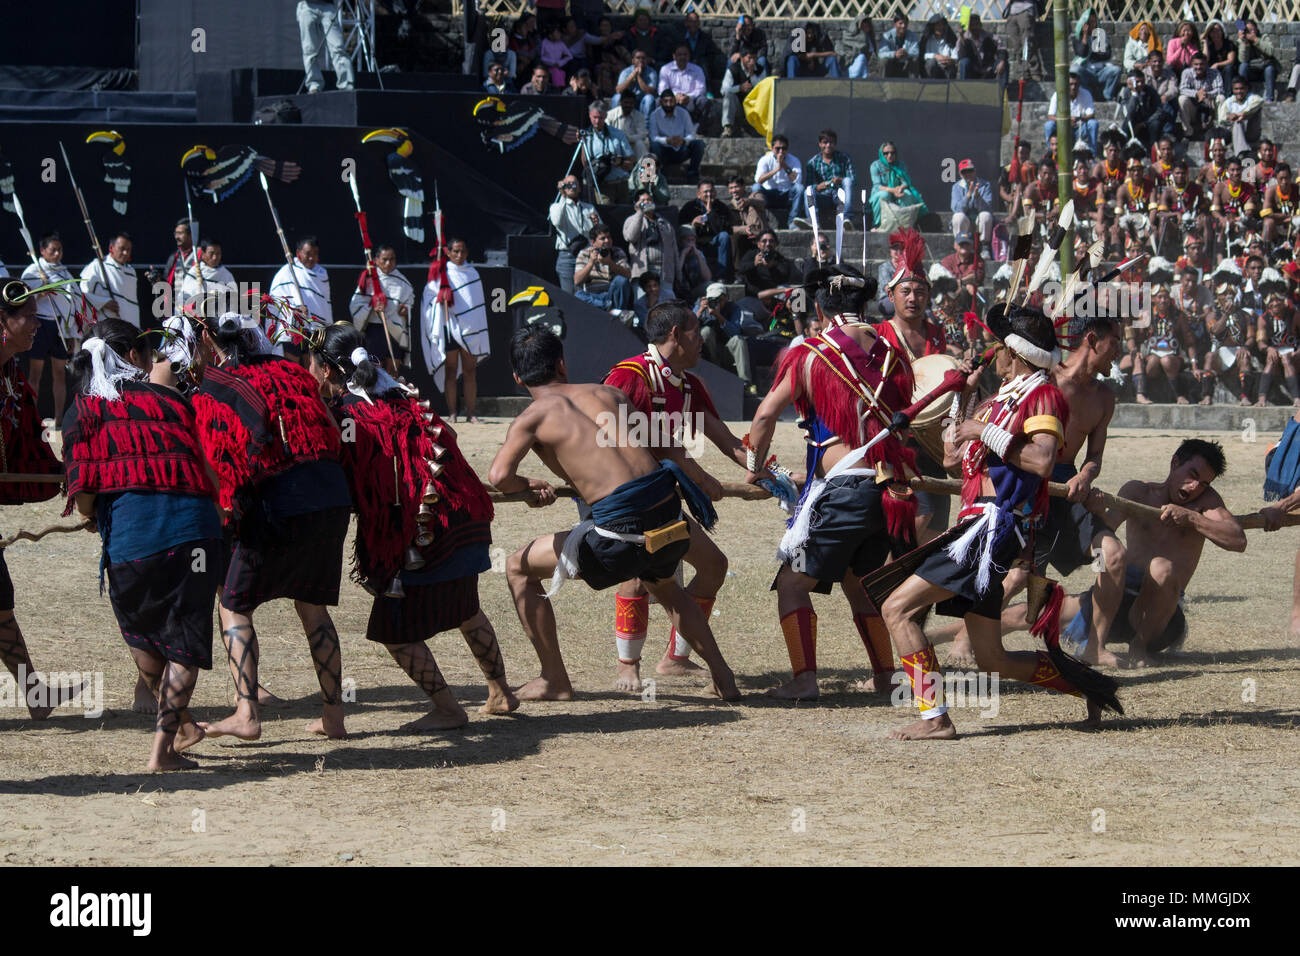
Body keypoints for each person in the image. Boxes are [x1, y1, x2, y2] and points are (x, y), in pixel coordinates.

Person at [880, 304, 1123, 738]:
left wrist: (983, 431)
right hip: (978, 529)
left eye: (999, 347)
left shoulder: (1042, 395)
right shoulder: (998, 400)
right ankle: (1090, 687)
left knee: (896, 608)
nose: (992, 354)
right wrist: (964, 399)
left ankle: (933, 719)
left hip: (995, 528)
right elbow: (955, 459)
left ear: (1016, 352)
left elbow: (1044, 460)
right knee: (993, 659)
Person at [490, 323, 740, 702]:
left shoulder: (532, 419)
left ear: (516, 377)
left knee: (516, 567)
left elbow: (499, 477)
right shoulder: (610, 393)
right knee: (668, 587)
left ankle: (554, 679)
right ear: (562, 365)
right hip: (667, 513)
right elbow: (656, 446)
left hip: (619, 531)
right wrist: (700, 477)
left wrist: (528, 487)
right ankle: (723, 675)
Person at [308, 324, 516, 728]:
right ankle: (501, 693)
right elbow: (448, 435)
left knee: (394, 630)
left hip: (424, 530)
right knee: (465, 609)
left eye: (313, 366)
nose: (311, 373)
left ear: (328, 371)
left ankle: (447, 709)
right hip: (464, 519)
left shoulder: (345, 414)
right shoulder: (405, 394)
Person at [745, 266, 921, 700]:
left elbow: (766, 415)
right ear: (864, 306)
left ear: (820, 308)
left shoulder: (811, 354)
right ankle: (885, 677)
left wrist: (753, 465)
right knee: (859, 584)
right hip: (886, 491)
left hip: (846, 490)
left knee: (791, 584)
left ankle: (805, 681)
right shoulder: (892, 355)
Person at [601, 300, 787, 687]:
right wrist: (697, 476)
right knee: (638, 575)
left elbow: (727, 441)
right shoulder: (629, 376)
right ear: (675, 335)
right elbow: (605, 438)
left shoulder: (687, 385)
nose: (702, 340)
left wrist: (769, 474)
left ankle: (675, 659)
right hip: (626, 499)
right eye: (695, 331)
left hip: (661, 500)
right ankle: (627, 668)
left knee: (713, 566)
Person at [63, 319, 220, 770]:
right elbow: (202, 460)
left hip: (130, 543)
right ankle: (164, 749)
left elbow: (85, 492)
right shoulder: (169, 399)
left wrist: (96, 516)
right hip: (192, 530)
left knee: (146, 638)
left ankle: (171, 739)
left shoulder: (82, 408)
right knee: (184, 642)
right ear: (133, 357)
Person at [191, 314, 351, 742]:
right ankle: (334, 718)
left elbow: (217, 459)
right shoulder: (292, 372)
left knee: (232, 604)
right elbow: (334, 434)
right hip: (331, 494)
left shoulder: (214, 386)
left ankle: (247, 713)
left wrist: (224, 509)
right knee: (312, 607)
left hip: (277, 500)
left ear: (209, 340)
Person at [1068, 441, 1244, 664]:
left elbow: (1237, 539)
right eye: (1192, 475)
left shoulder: (1206, 502)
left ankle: (1138, 648)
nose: (1194, 487)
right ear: (1175, 462)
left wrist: (1192, 519)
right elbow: (1101, 538)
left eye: (1203, 483)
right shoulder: (1137, 491)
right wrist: (1098, 511)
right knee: (1048, 612)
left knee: (1162, 567)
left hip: (1164, 617)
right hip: (1119, 596)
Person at [0, 281, 82, 721]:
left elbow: (31, 445)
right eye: (27, 315)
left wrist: (72, 476)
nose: (36, 323)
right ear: (2, 321)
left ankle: (34, 695)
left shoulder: (12, 374)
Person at [875, 230, 951, 543]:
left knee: (935, 528)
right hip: (896, 442)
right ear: (891, 294)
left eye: (920, 292)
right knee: (914, 518)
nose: (913, 298)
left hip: (933, 442)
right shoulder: (880, 334)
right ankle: (891, 578)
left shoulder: (937, 332)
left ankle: (914, 583)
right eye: (906, 291)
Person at [422, 237, 489, 424]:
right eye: (455, 251)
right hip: (450, 328)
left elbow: (476, 307)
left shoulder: (473, 274)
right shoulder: (441, 273)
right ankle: (452, 413)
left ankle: (471, 413)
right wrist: (440, 299)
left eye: (463, 251)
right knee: (451, 371)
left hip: (470, 330)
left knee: (470, 371)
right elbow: (428, 297)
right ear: (448, 252)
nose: (459, 255)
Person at [21, 233, 77, 428]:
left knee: (59, 373)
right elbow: (21, 302)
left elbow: (72, 303)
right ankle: (32, 418)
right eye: (52, 250)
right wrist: (39, 294)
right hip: (40, 325)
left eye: (59, 249)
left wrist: (71, 333)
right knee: (35, 374)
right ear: (42, 251)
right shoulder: (32, 272)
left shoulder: (65, 273)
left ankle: (59, 419)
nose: (57, 253)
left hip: (59, 326)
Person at [348, 243, 413, 375]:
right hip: (374, 330)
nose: (388, 263)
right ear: (376, 260)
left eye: (392, 259)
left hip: (395, 330)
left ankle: (393, 395)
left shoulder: (402, 281)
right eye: (385, 259)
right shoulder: (368, 278)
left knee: (393, 369)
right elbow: (356, 304)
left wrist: (406, 310)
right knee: (375, 368)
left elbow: (409, 302)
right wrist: (371, 306)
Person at [269, 236, 331, 358]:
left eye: (315, 253)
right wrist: (294, 309)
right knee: (292, 369)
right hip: (292, 331)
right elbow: (275, 301)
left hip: (314, 332)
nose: (311, 258)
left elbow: (325, 306)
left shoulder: (322, 275)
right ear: (298, 253)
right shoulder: (286, 272)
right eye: (308, 254)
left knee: (312, 370)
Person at [549, 174, 602, 295]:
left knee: (586, 294)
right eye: (568, 184)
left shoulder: (589, 208)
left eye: (574, 184)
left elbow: (600, 232)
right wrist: (563, 196)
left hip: (586, 255)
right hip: (567, 255)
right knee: (569, 295)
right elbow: (557, 221)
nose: (571, 187)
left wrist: (596, 224)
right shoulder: (556, 206)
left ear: (579, 188)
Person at [695, 282, 754, 389]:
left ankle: (745, 382)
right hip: (710, 353)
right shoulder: (701, 306)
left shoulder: (734, 308)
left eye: (719, 299)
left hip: (728, 350)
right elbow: (689, 328)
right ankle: (714, 372)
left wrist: (719, 316)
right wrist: (699, 312)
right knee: (706, 331)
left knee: (738, 340)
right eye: (712, 299)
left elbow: (735, 331)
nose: (716, 302)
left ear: (725, 298)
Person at [623, 188, 679, 296]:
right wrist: (640, 212)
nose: (647, 202)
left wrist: (678, 276)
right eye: (643, 200)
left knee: (667, 305)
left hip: (664, 273)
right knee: (643, 305)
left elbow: (674, 250)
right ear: (636, 205)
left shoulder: (665, 224)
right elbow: (630, 237)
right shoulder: (631, 220)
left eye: (649, 200)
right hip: (642, 273)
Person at [799, 128, 857, 229]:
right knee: (807, 191)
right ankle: (813, 222)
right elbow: (809, 186)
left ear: (835, 144)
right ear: (820, 144)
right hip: (823, 196)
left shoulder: (844, 158)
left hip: (840, 196)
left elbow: (853, 180)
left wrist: (841, 180)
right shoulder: (813, 162)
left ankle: (846, 219)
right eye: (825, 142)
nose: (828, 145)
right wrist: (818, 187)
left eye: (831, 142)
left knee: (847, 180)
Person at [80, 233, 139, 330]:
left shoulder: (131, 272)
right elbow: (82, 296)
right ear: (112, 247)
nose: (125, 253)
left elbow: (131, 306)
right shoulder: (97, 267)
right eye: (122, 249)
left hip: (129, 328)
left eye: (128, 250)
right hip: (106, 327)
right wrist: (104, 302)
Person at [869, 141, 929, 232]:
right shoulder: (875, 165)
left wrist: (901, 188)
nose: (889, 155)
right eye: (886, 153)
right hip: (883, 191)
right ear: (881, 154)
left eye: (892, 153)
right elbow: (877, 186)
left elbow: (906, 182)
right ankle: (878, 225)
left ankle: (905, 226)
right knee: (884, 195)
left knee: (907, 194)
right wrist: (893, 190)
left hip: (897, 191)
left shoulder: (901, 165)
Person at [296, 0, 354, 94]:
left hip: (327, 6)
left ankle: (346, 85)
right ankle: (314, 85)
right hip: (307, 6)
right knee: (309, 49)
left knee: (338, 47)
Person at [581, 101, 634, 203]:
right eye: (594, 117)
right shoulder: (586, 136)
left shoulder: (617, 134)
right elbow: (585, 164)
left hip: (621, 183)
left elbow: (631, 161)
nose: (597, 121)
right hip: (602, 185)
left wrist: (620, 162)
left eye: (600, 118)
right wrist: (582, 142)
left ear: (605, 116)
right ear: (589, 115)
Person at [573, 224, 634, 313]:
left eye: (609, 237)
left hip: (612, 294)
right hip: (594, 296)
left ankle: (617, 311)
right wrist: (590, 263)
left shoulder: (617, 252)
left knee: (621, 280)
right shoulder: (584, 254)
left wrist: (610, 263)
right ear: (593, 242)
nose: (607, 240)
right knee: (578, 295)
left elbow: (628, 275)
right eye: (603, 238)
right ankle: (611, 310)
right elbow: (577, 281)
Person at [679, 179, 732, 281]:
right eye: (705, 192)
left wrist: (710, 213)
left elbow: (723, 228)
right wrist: (693, 224)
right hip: (696, 242)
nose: (709, 194)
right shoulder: (689, 207)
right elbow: (681, 228)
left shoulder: (721, 207)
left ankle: (721, 276)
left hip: (714, 241)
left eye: (711, 191)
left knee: (724, 236)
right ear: (699, 194)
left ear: (715, 192)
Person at [648, 89, 703, 181]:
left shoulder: (683, 113)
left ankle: (692, 172)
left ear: (675, 101)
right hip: (664, 151)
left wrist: (683, 140)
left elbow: (691, 134)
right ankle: (660, 172)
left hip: (681, 149)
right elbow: (653, 137)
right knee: (654, 145)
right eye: (666, 101)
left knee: (699, 144)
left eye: (671, 101)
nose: (669, 104)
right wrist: (667, 140)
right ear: (661, 102)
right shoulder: (654, 115)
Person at [177, 238, 238, 318]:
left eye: (218, 253)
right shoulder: (193, 273)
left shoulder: (226, 275)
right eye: (211, 253)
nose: (215, 257)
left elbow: (233, 301)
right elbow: (184, 299)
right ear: (203, 254)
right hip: (196, 318)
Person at [752, 134, 802, 228]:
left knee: (800, 189)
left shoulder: (794, 160)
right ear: (772, 148)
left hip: (786, 195)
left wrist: (783, 165)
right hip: (769, 195)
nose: (781, 151)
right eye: (777, 148)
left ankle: (793, 222)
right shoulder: (765, 160)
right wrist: (776, 170)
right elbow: (759, 180)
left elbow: (797, 180)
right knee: (755, 188)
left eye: (784, 148)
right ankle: (759, 221)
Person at [1071, 9, 1122, 101]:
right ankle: (1087, 96)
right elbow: (1082, 53)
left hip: (1101, 70)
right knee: (1074, 69)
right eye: (1089, 22)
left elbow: (1105, 55)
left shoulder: (1100, 36)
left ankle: (1108, 96)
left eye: (1094, 22)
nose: (1092, 25)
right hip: (1086, 71)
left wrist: (1094, 53)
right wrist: (1085, 36)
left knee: (1116, 70)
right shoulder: (1077, 38)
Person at [1046, 72, 1100, 157]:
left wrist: (1079, 118)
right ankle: (1050, 154)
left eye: (1076, 84)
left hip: (1080, 127)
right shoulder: (1058, 94)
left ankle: (1092, 155)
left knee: (1093, 124)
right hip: (1063, 128)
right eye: (1071, 84)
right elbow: (1050, 116)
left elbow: (1091, 114)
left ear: (1079, 84)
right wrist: (1066, 120)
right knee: (1049, 125)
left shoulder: (1085, 93)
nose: (1073, 87)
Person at [1117, 67, 1170, 151]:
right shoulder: (1125, 92)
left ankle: (1153, 151)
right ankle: (1125, 151)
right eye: (1137, 82)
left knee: (1156, 124)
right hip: (1133, 122)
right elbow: (1128, 113)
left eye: (1142, 81)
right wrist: (1134, 94)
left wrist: (1144, 123)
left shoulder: (1150, 91)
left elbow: (1159, 110)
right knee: (1127, 124)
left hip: (1148, 122)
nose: (1140, 84)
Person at [658, 42, 712, 125]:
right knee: (658, 101)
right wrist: (675, 96)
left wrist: (688, 97)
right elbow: (662, 90)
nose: (682, 57)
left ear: (689, 56)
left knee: (704, 101)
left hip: (692, 100)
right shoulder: (665, 69)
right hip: (672, 100)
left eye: (685, 54)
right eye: (679, 55)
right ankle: (664, 127)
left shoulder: (697, 69)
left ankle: (700, 129)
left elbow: (701, 89)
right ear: (674, 56)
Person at [951, 158, 994, 256]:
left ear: (974, 171)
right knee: (958, 217)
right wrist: (968, 195)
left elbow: (987, 208)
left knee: (985, 215)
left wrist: (978, 197)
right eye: (964, 172)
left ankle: (984, 247)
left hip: (979, 222)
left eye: (970, 171)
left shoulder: (985, 185)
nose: (968, 174)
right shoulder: (956, 187)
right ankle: (960, 245)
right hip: (965, 222)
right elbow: (956, 208)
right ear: (960, 174)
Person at [1179, 53, 1225, 141]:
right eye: (1196, 64)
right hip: (1193, 105)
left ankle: (1220, 130)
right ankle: (1188, 132)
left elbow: (1220, 89)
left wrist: (1207, 94)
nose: (1199, 67)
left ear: (1206, 64)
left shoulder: (1214, 72)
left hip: (1210, 104)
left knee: (1221, 98)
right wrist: (1197, 93)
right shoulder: (1186, 73)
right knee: (1182, 99)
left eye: (1201, 64)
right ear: (1192, 64)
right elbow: (1182, 89)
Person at [720, 48, 764, 138]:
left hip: (754, 106)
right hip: (738, 106)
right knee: (728, 96)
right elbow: (723, 90)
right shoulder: (733, 69)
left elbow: (764, 89)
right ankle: (727, 127)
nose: (752, 61)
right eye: (749, 58)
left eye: (754, 58)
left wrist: (752, 76)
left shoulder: (760, 70)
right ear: (742, 58)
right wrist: (739, 88)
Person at [1218, 75, 1265, 157]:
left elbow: (1260, 101)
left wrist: (1242, 114)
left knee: (1256, 111)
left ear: (1246, 89)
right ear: (1233, 90)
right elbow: (1221, 119)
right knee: (1237, 123)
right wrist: (1229, 117)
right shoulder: (1229, 102)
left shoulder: (1251, 98)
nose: (1239, 91)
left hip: (1251, 131)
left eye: (1241, 88)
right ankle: (1242, 153)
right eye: (1236, 89)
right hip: (1234, 132)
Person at [958, 14, 1006, 88]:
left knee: (1003, 64)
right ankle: (963, 92)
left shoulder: (990, 37)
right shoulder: (964, 38)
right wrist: (962, 36)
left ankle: (1001, 94)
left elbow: (1002, 49)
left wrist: (1002, 61)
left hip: (989, 69)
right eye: (972, 25)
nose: (974, 27)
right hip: (973, 71)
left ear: (980, 25)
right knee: (964, 62)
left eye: (976, 24)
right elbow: (961, 56)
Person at [1237, 19, 1279, 103]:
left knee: (1270, 69)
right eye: (1248, 30)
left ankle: (1269, 98)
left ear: (1256, 29)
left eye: (1253, 29)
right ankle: (1244, 96)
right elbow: (1242, 60)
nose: (1251, 32)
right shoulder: (1241, 41)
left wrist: (1256, 40)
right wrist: (1244, 43)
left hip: (1264, 70)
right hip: (1251, 71)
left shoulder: (1263, 37)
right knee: (1243, 66)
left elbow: (1270, 51)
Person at [1004, 0, 1046, 81]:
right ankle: (1023, 72)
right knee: (1017, 46)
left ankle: (1035, 72)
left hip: (1026, 9)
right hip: (1012, 12)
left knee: (1028, 43)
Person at [1261, 163, 1300, 244]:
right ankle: (1265, 251)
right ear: (1276, 178)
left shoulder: (1297, 190)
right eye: (1281, 178)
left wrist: (1289, 219)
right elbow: (1266, 214)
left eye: (1286, 178)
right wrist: (1286, 217)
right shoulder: (1270, 191)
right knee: (1268, 222)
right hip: (1276, 226)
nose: (1284, 182)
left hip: (1294, 226)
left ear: (1291, 176)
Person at [616, 49, 659, 119]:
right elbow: (619, 90)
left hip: (643, 101)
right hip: (628, 101)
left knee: (649, 98)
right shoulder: (626, 72)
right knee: (617, 97)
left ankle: (646, 127)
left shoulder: (652, 72)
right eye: (638, 58)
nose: (641, 60)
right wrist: (632, 76)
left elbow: (649, 92)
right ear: (633, 60)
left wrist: (638, 76)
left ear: (647, 60)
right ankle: (616, 125)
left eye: (643, 58)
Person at [607, 89, 650, 158]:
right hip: (616, 145)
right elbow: (607, 132)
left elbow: (642, 135)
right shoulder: (610, 115)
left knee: (640, 144)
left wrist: (629, 138)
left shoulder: (639, 116)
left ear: (634, 104)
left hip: (632, 144)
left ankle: (645, 168)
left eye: (631, 103)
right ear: (620, 102)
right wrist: (621, 139)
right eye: (626, 102)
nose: (628, 105)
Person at [879, 14, 919, 78]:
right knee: (883, 61)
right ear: (895, 25)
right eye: (900, 23)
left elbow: (916, 52)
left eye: (905, 23)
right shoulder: (886, 36)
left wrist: (907, 53)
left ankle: (913, 85)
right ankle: (883, 85)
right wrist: (895, 54)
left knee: (914, 60)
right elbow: (881, 54)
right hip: (892, 63)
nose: (903, 26)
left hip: (906, 63)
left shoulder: (913, 36)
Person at [921, 14, 959, 79]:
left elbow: (955, 56)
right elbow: (924, 55)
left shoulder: (950, 39)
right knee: (931, 63)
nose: (940, 28)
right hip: (933, 67)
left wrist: (949, 60)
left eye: (942, 25)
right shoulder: (928, 39)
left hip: (947, 67)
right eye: (937, 25)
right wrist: (936, 56)